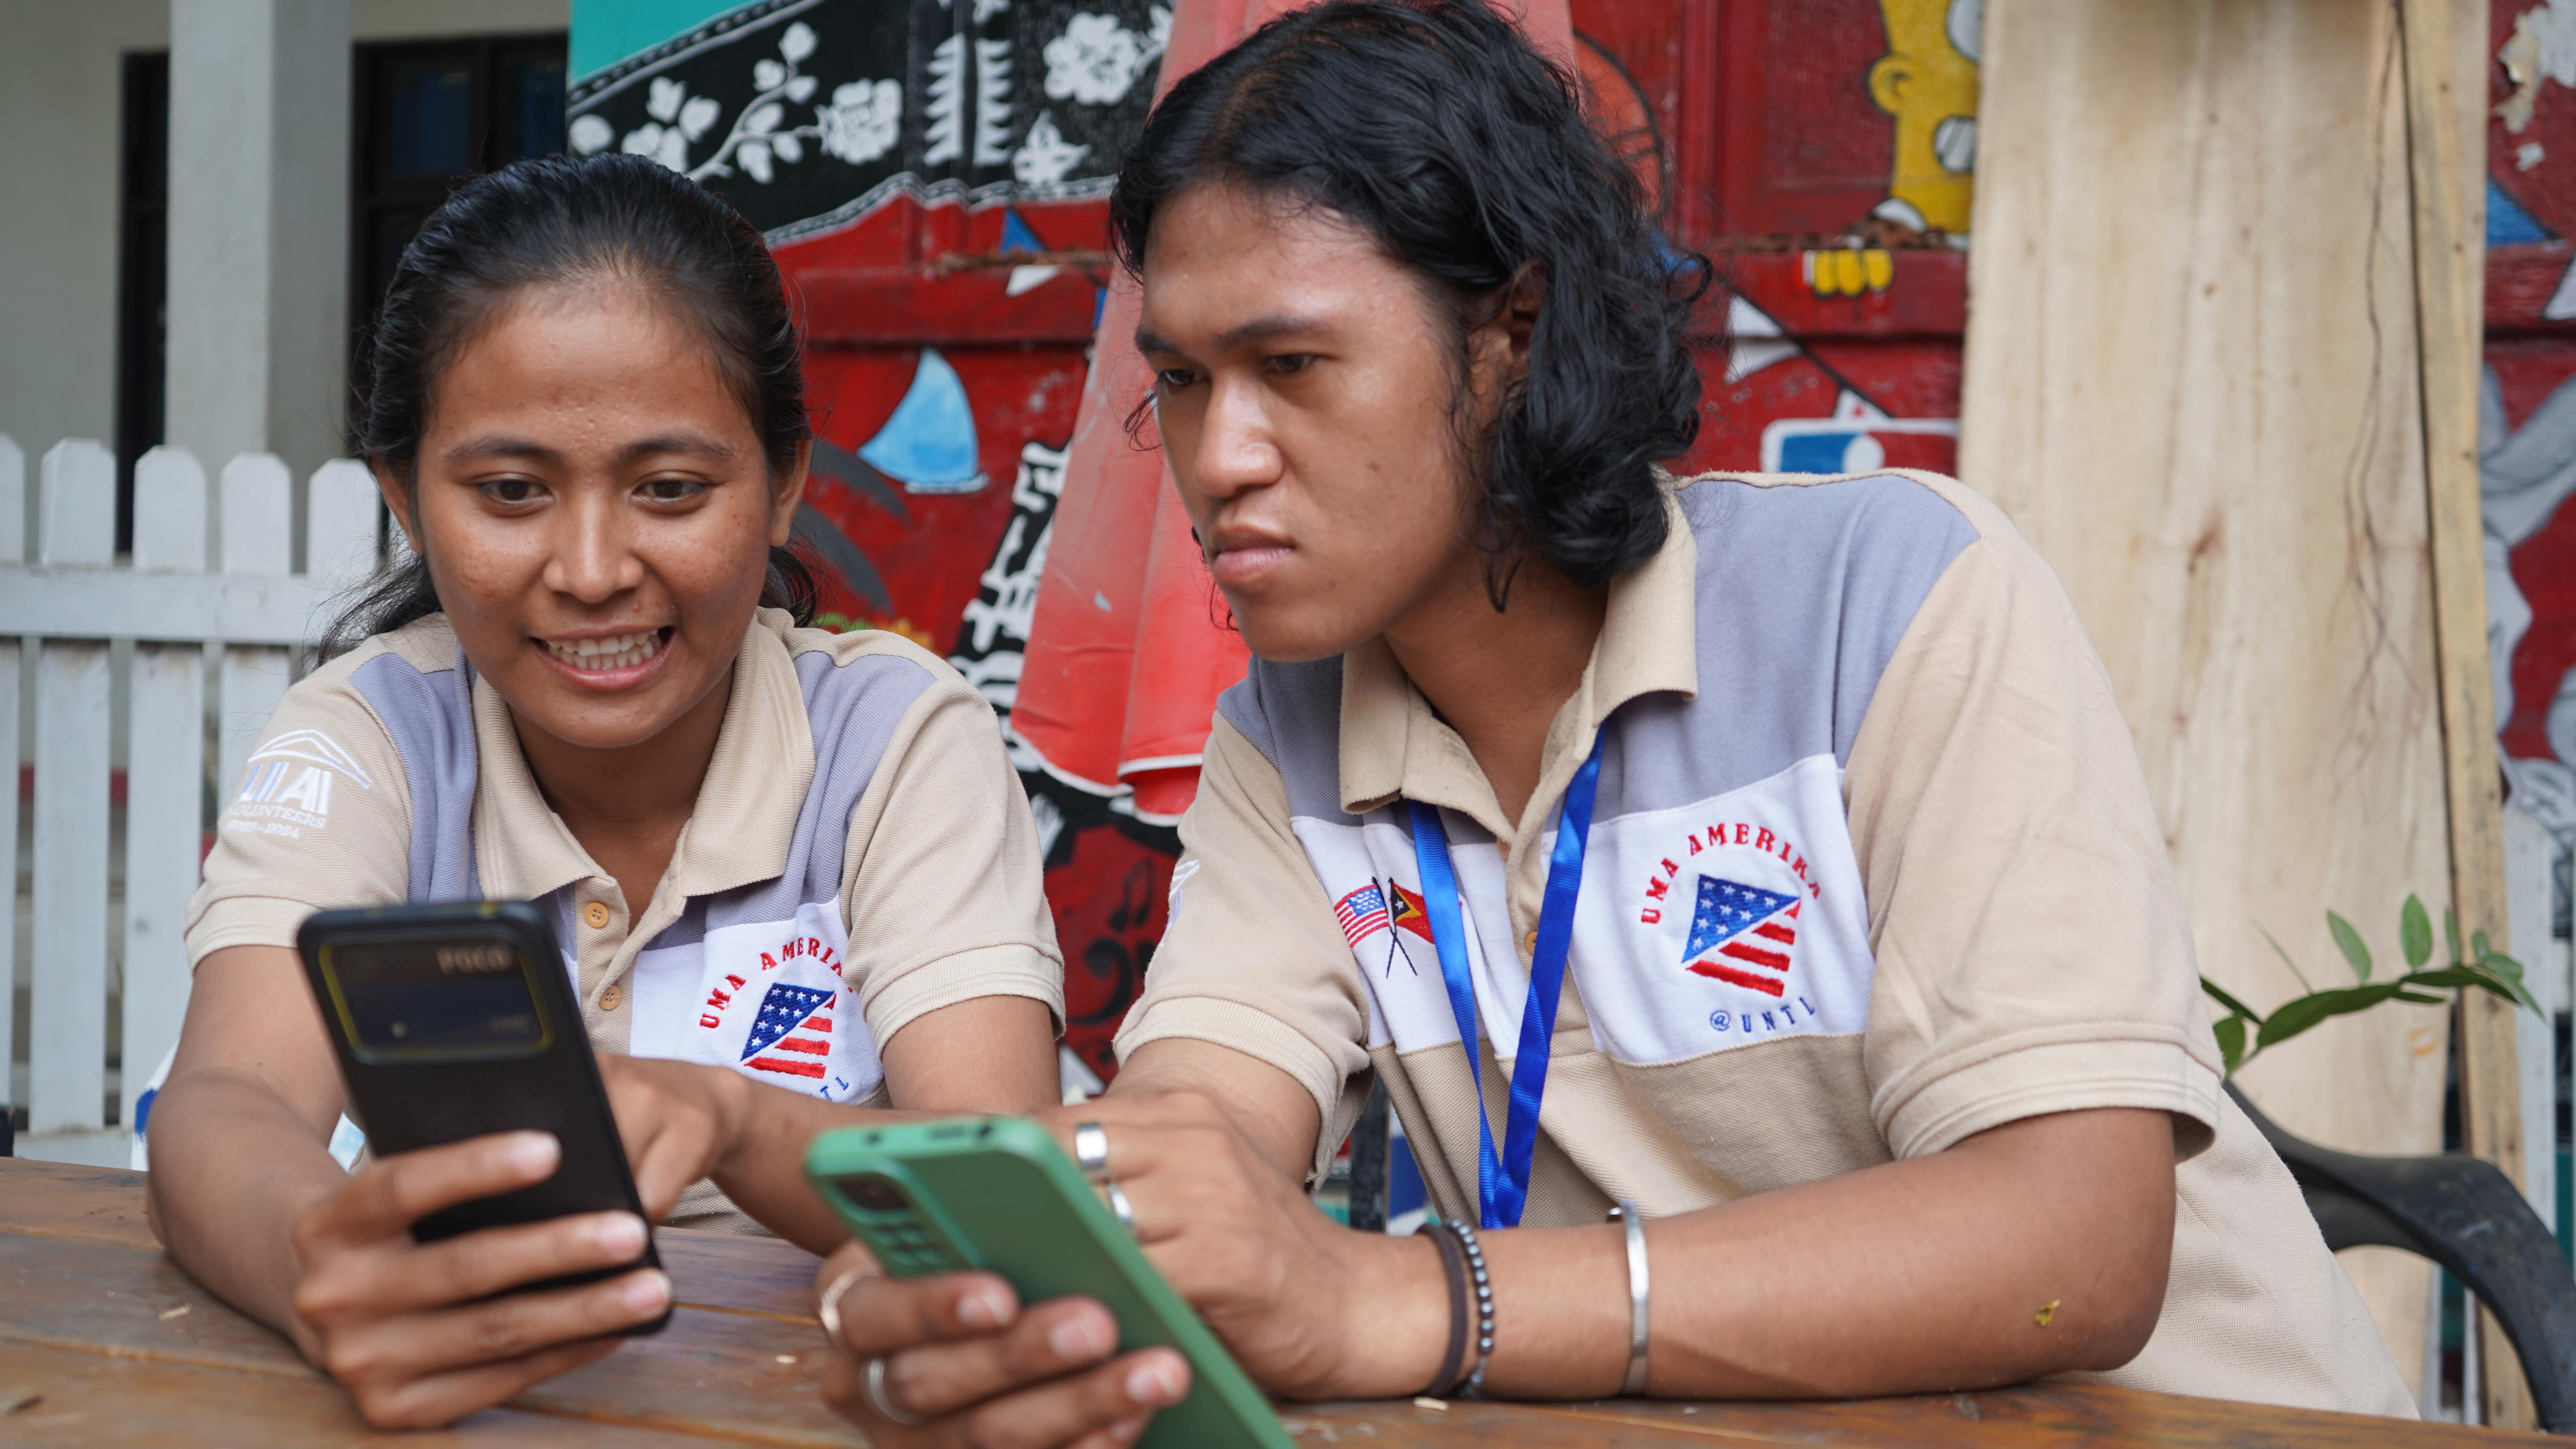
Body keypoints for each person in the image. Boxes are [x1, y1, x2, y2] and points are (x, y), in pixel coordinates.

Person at [811, 2, 2419, 1442]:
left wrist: (1407, 1300)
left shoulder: (1896, 594)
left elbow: (2076, 1243)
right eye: (1177, 379)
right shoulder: (1286, 730)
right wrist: (1044, 1277)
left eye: (1292, 363)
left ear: (1510, 332)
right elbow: (1202, 1121)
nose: (1217, 455)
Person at [144, 154, 1065, 1430]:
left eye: (670, 490)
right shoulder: (371, 735)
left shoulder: (892, 738)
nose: (590, 570)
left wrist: (732, 1123)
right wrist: (327, 1270)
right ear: (405, 499)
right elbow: (223, 1105)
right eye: (512, 492)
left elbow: (992, 1184)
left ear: (785, 479)